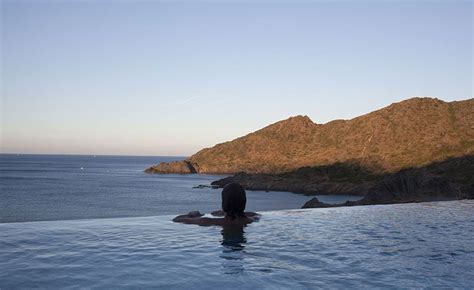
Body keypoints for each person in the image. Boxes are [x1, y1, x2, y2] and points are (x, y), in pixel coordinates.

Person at [173, 183, 260, 226]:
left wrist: (192, 215)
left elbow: (176, 219)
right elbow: (256, 214)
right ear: (244, 201)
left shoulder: (208, 221)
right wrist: (232, 212)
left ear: (224, 202)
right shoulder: (253, 219)